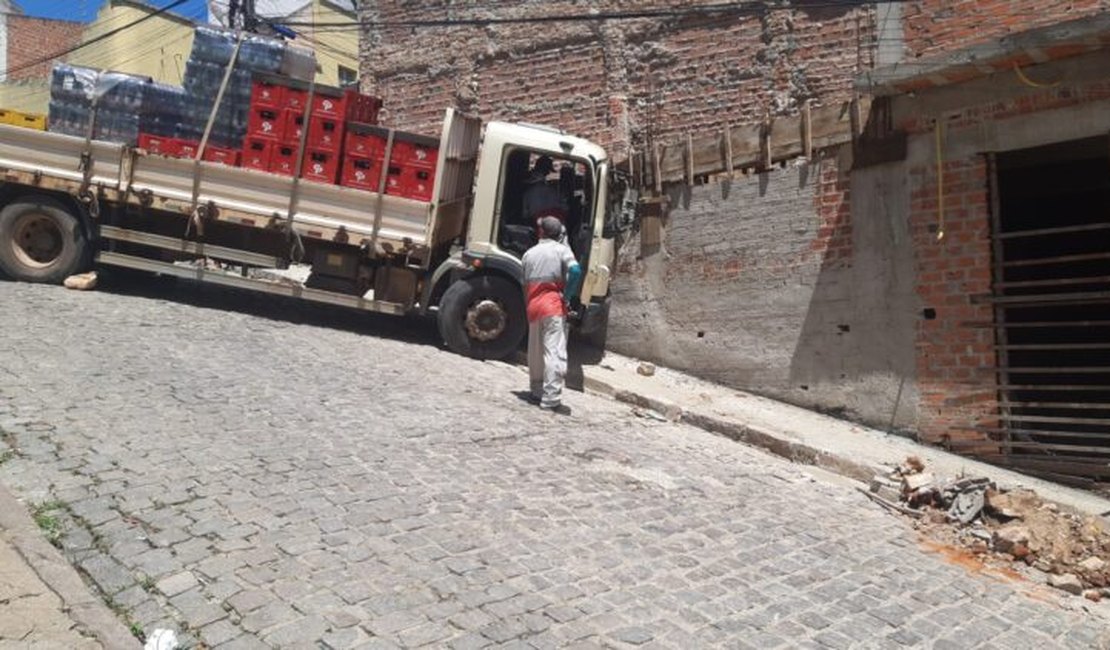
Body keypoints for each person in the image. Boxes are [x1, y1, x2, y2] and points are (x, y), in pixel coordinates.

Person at [522, 216, 582, 415]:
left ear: (541, 232)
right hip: (553, 308)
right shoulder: (561, 250)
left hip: (533, 307)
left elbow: (525, 284)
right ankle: (551, 398)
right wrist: (567, 296)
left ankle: (536, 391)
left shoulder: (528, 254)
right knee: (553, 352)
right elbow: (575, 270)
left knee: (535, 353)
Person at [521, 155, 568, 226]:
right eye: (548, 170)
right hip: (545, 223)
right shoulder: (553, 191)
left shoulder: (527, 187)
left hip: (534, 222)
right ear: (545, 169)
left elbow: (525, 214)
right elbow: (564, 209)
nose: (548, 173)